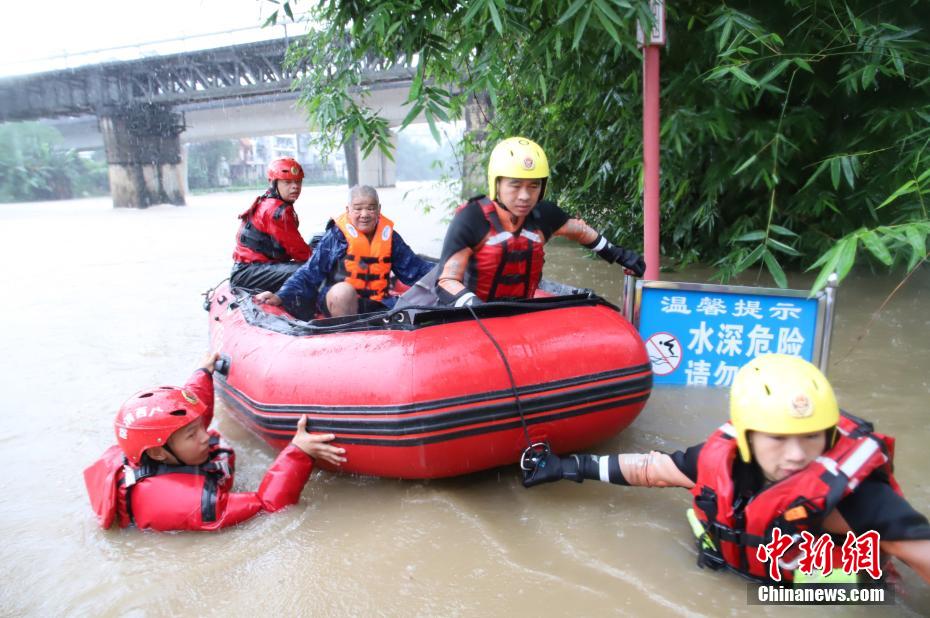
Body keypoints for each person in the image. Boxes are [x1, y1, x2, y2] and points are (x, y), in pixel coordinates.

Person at [522, 354, 930, 584]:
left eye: (811, 437)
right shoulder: (719, 459)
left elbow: (921, 554)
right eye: (778, 438)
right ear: (745, 436)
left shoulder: (856, 495)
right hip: (738, 573)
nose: (797, 455)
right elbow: (654, 469)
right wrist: (571, 466)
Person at [83, 353, 346, 532]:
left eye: (200, 429)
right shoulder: (183, 502)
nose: (205, 435)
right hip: (173, 505)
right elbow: (269, 506)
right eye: (192, 435)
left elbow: (191, 412)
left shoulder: (165, 444)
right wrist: (297, 452)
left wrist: (203, 373)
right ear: (159, 453)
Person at [432, 136, 646, 308]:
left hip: (523, 309)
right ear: (496, 184)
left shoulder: (544, 215)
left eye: (533, 186)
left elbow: (581, 232)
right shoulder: (471, 219)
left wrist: (618, 254)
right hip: (474, 313)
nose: (525, 196)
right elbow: (446, 281)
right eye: (515, 186)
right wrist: (475, 307)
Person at [255, 185, 433, 319]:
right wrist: (281, 296)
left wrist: (450, 274)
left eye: (371, 208)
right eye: (358, 208)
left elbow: (415, 269)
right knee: (344, 293)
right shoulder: (337, 236)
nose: (364, 214)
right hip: (339, 299)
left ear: (379, 210)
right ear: (348, 210)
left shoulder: (390, 237)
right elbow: (310, 272)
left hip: (378, 301)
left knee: (419, 300)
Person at [230, 157, 311, 292]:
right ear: (274, 183)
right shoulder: (277, 211)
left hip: (251, 269)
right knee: (311, 269)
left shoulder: (270, 202)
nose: (295, 187)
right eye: (287, 182)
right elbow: (300, 253)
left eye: (298, 182)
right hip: (248, 273)